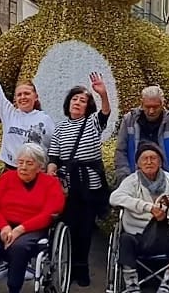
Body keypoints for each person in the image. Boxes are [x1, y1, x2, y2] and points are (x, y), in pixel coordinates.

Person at [109, 142, 169, 293]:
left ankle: (168, 283)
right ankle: (131, 285)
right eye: (145, 159)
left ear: (160, 162)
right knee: (124, 240)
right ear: (138, 164)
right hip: (138, 236)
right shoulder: (131, 181)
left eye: (153, 158)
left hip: (167, 237)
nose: (149, 162)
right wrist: (148, 207)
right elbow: (115, 198)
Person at [46, 73, 111, 287]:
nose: (77, 102)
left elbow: (105, 113)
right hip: (68, 185)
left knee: (85, 228)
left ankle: (82, 269)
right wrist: (52, 169)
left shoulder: (92, 122)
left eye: (82, 100)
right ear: (68, 103)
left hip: (89, 184)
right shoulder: (61, 127)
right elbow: (54, 156)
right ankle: (68, 266)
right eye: (74, 99)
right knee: (69, 226)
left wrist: (103, 94)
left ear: (87, 107)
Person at [0, 143, 65, 293]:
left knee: (19, 246)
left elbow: (50, 212)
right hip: (1, 223)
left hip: (32, 227)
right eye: (20, 162)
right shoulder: (7, 178)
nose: (23, 167)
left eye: (29, 163)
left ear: (39, 167)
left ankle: (14, 288)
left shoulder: (51, 183)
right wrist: (4, 226)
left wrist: (20, 229)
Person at [0, 44, 55, 169]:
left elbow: (54, 147)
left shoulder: (45, 119)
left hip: (37, 171)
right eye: (19, 95)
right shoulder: (9, 113)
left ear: (36, 97)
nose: (23, 97)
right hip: (11, 169)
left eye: (27, 94)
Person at [114, 85, 169, 186]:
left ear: (162, 104)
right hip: (135, 181)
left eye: (155, 107)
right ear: (141, 103)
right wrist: (124, 179)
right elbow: (121, 152)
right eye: (147, 107)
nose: (151, 111)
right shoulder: (129, 120)